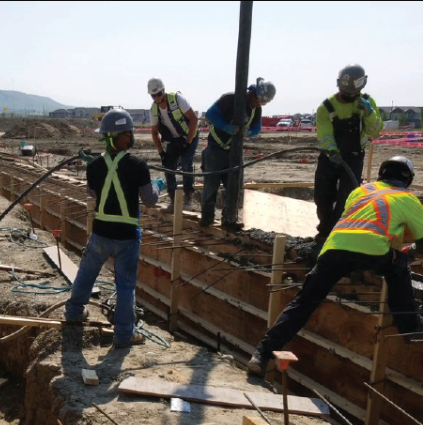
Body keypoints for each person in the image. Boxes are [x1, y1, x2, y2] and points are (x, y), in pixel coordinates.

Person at [247, 156, 423, 375]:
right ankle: (409, 326)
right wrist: (407, 252)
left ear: (381, 174)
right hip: (372, 254)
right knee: (399, 266)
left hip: (334, 249)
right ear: (408, 179)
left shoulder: (360, 191)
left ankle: (261, 354)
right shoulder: (407, 198)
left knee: (303, 303)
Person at [65, 108, 162, 348]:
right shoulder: (138, 165)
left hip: (100, 234)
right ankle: (123, 334)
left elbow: (92, 193)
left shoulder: (94, 167)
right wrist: (159, 186)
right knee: (126, 286)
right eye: (128, 133)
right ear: (118, 136)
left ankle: (75, 312)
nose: (131, 136)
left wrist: (100, 169)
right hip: (127, 238)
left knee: (86, 274)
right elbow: (150, 200)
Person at [314, 64, 384, 243]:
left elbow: (374, 131)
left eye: (354, 94)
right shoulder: (326, 107)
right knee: (322, 196)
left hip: (354, 157)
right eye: (347, 93)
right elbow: (325, 135)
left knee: (347, 197)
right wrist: (332, 152)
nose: (351, 97)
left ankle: (336, 234)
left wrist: (369, 113)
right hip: (329, 158)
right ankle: (324, 229)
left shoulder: (367, 103)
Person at [200, 77, 276, 229]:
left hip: (234, 152)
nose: (257, 104)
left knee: (235, 187)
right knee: (210, 186)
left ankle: (229, 219)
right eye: (257, 100)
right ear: (252, 92)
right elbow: (210, 114)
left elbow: (257, 129)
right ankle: (207, 218)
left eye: (261, 103)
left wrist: (250, 132)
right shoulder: (230, 99)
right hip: (215, 149)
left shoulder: (256, 109)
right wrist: (226, 127)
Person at [147, 78, 199, 211]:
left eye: (159, 94)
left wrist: (188, 143)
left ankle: (188, 197)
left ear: (163, 91)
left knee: (186, 163)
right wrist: (161, 153)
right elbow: (154, 133)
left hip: (189, 135)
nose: (157, 98)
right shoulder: (154, 109)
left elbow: (193, 119)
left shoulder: (177, 99)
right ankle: (173, 200)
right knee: (168, 167)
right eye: (154, 95)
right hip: (174, 140)